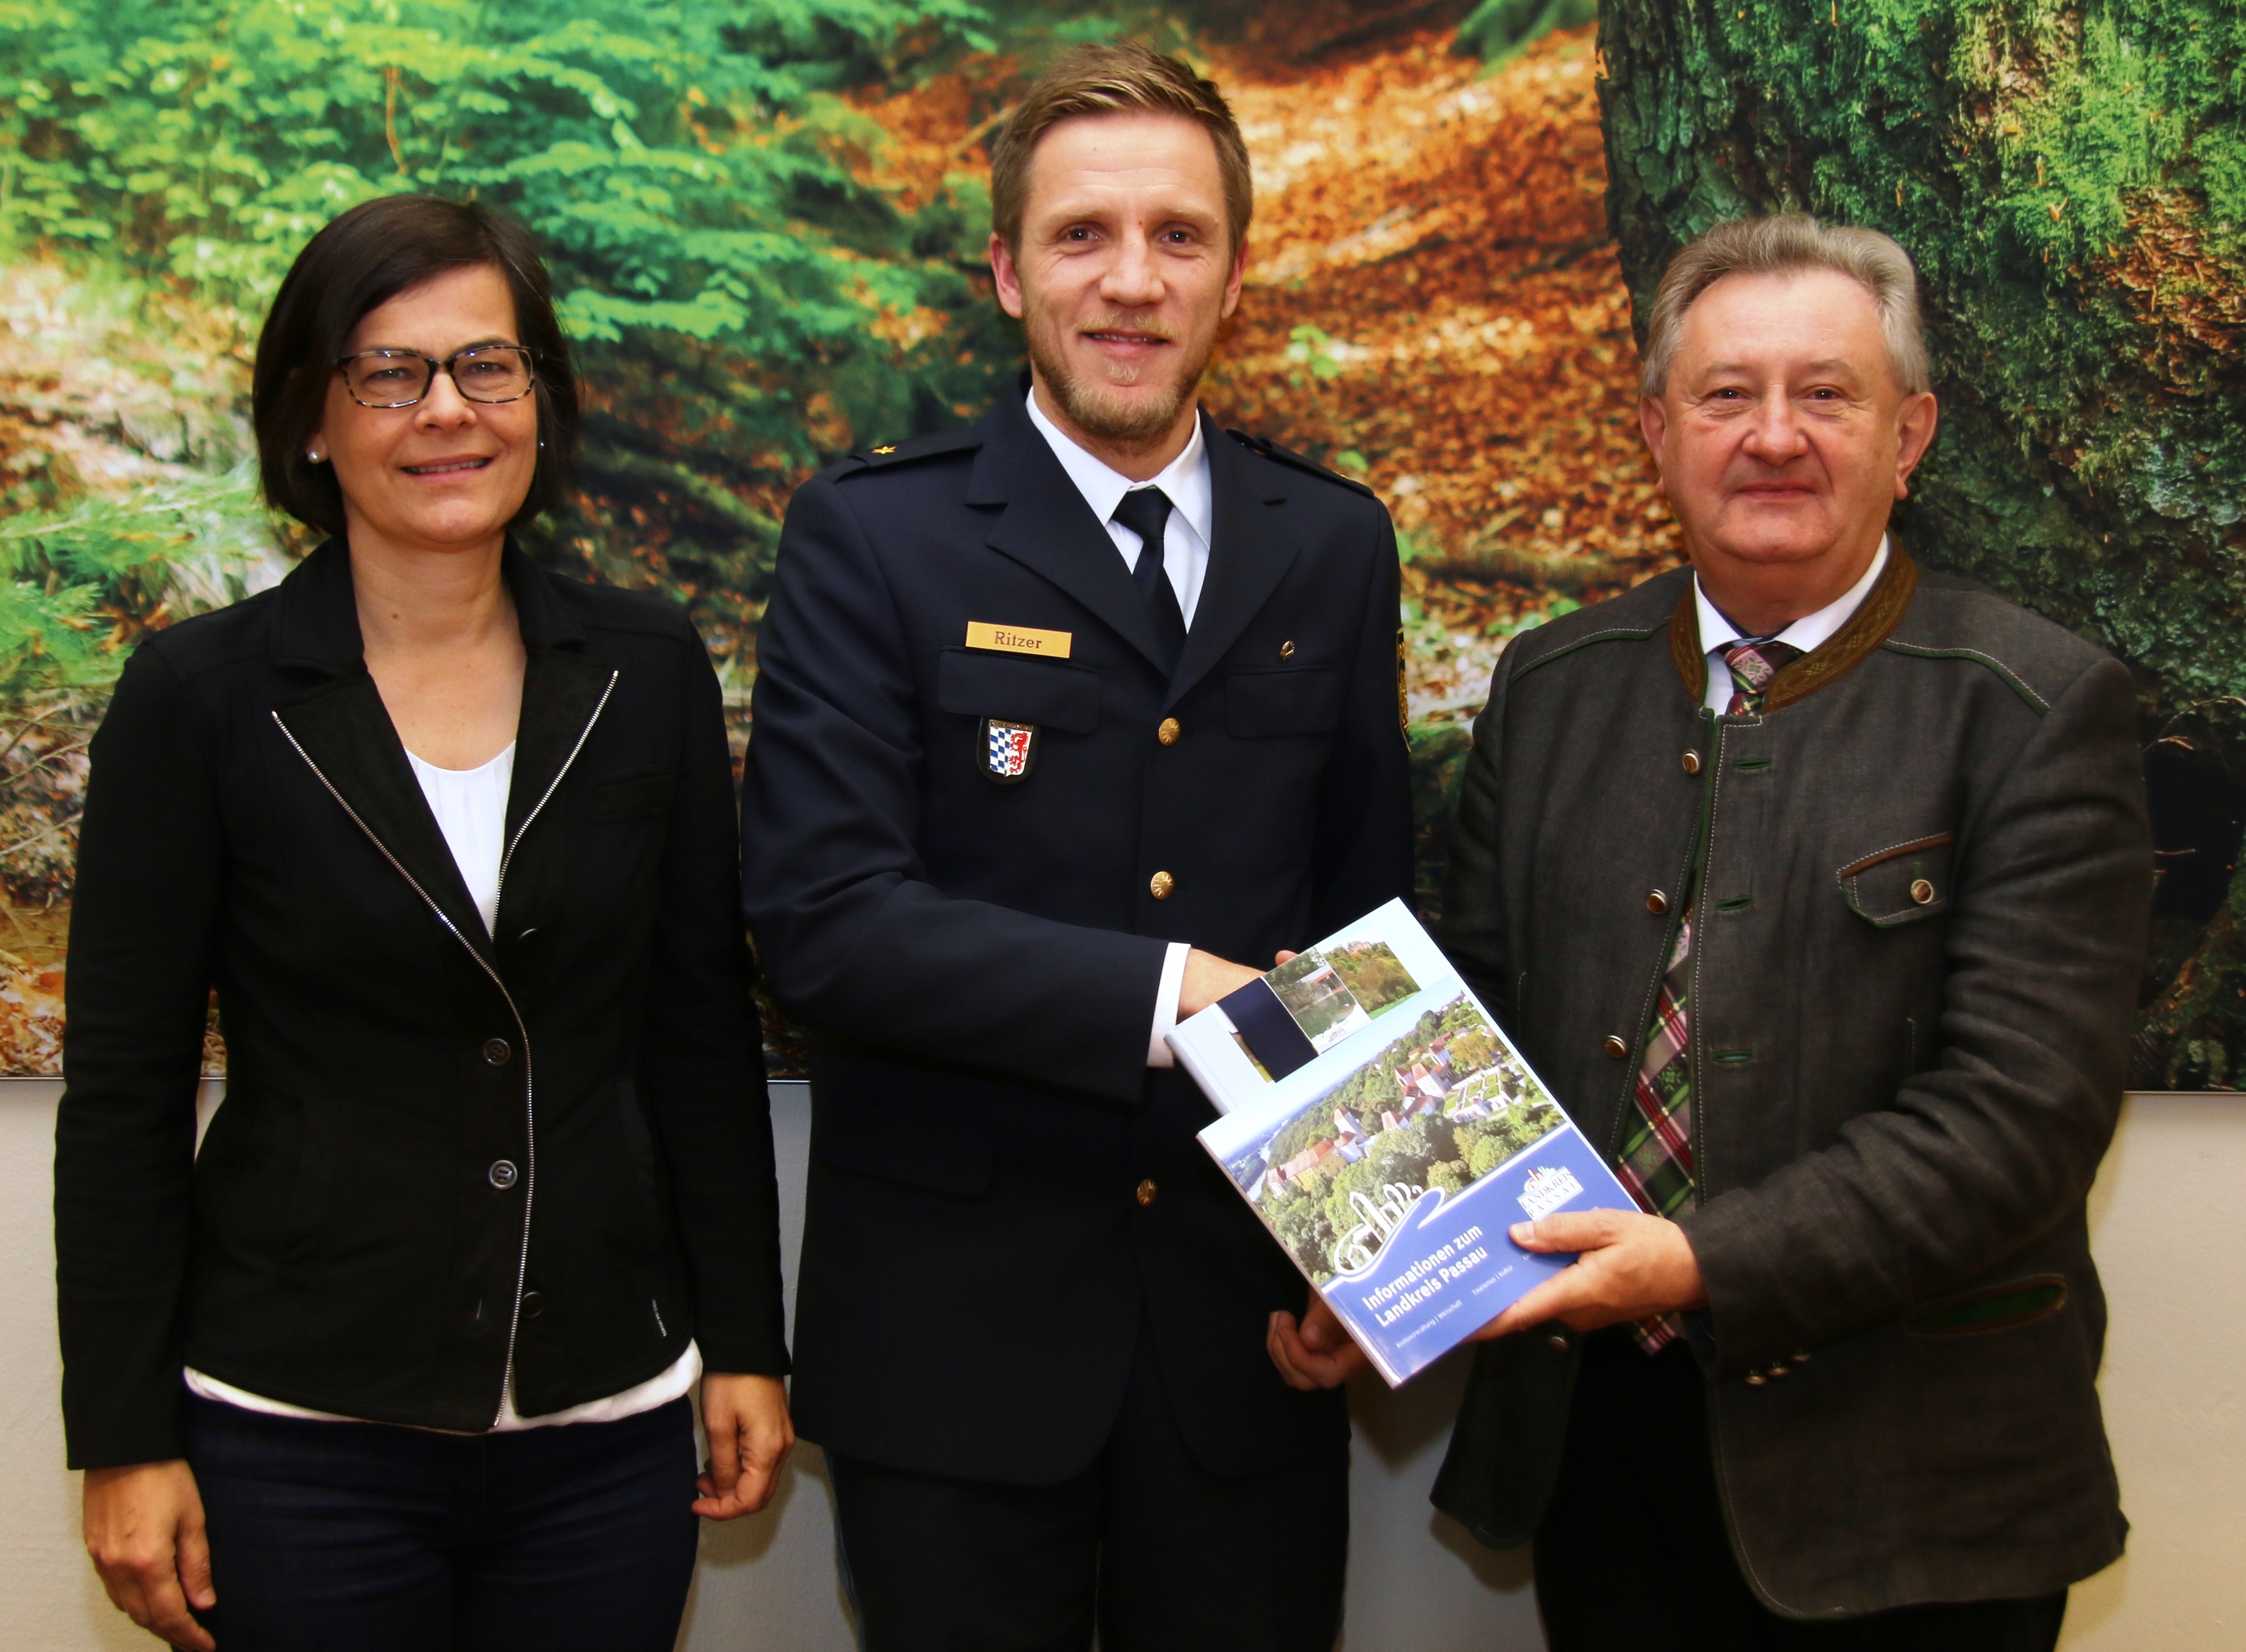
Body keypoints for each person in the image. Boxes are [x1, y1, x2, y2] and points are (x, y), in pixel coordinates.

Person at [1269, 214, 2152, 1649]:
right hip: (1602, 1452)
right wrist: (1375, 1260)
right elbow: (1473, 1016)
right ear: (1654, 431)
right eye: (1726, 394)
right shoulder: (1554, 684)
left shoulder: (2034, 708)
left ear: (1910, 432)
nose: (1774, 436)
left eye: (1828, 392)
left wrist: (1693, 1266)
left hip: (1914, 1489)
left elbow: (2017, 1118)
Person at [739, 43, 1411, 1652]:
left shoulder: (1328, 542)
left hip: (1242, 1340)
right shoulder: (873, 537)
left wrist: (1374, 1243)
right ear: (1004, 272)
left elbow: (1362, 920)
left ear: (1233, 277)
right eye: (1080, 235)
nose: (1130, 282)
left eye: (1177, 236)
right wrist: (1171, 987)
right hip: (953, 1355)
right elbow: (825, 920)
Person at [56, 194, 793, 1652]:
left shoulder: (641, 670)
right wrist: (123, 1438)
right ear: (311, 423)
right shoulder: (203, 698)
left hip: (607, 1427)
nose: (446, 412)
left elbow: (696, 1040)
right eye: (389, 372)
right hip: (297, 1431)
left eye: (488, 367)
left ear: (542, 402)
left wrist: (747, 1348)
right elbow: (125, 1095)